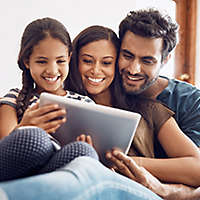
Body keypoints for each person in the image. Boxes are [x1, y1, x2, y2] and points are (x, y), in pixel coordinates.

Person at [65, 24, 200, 198]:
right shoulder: (64, 106)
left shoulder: (150, 110)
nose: (96, 70)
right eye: (87, 61)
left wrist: (125, 162)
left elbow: (197, 167)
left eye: (106, 62)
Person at [113, 8, 200, 199]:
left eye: (147, 60)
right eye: (127, 55)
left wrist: (125, 162)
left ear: (165, 60)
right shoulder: (105, 87)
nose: (133, 69)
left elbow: (197, 171)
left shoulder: (192, 102)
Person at [0, 17, 99, 181]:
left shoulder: (85, 104)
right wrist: (24, 127)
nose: (52, 70)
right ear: (27, 61)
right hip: (16, 171)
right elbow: (4, 147)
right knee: (35, 139)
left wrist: (91, 152)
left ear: (69, 58)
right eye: (41, 61)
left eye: (60, 61)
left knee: (83, 151)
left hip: (56, 175)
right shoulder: (14, 99)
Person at [0, 156, 163, 200]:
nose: (134, 70)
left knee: (90, 167)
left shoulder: (152, 109)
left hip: (144, 189)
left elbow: (190, 171)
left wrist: (161, 189)